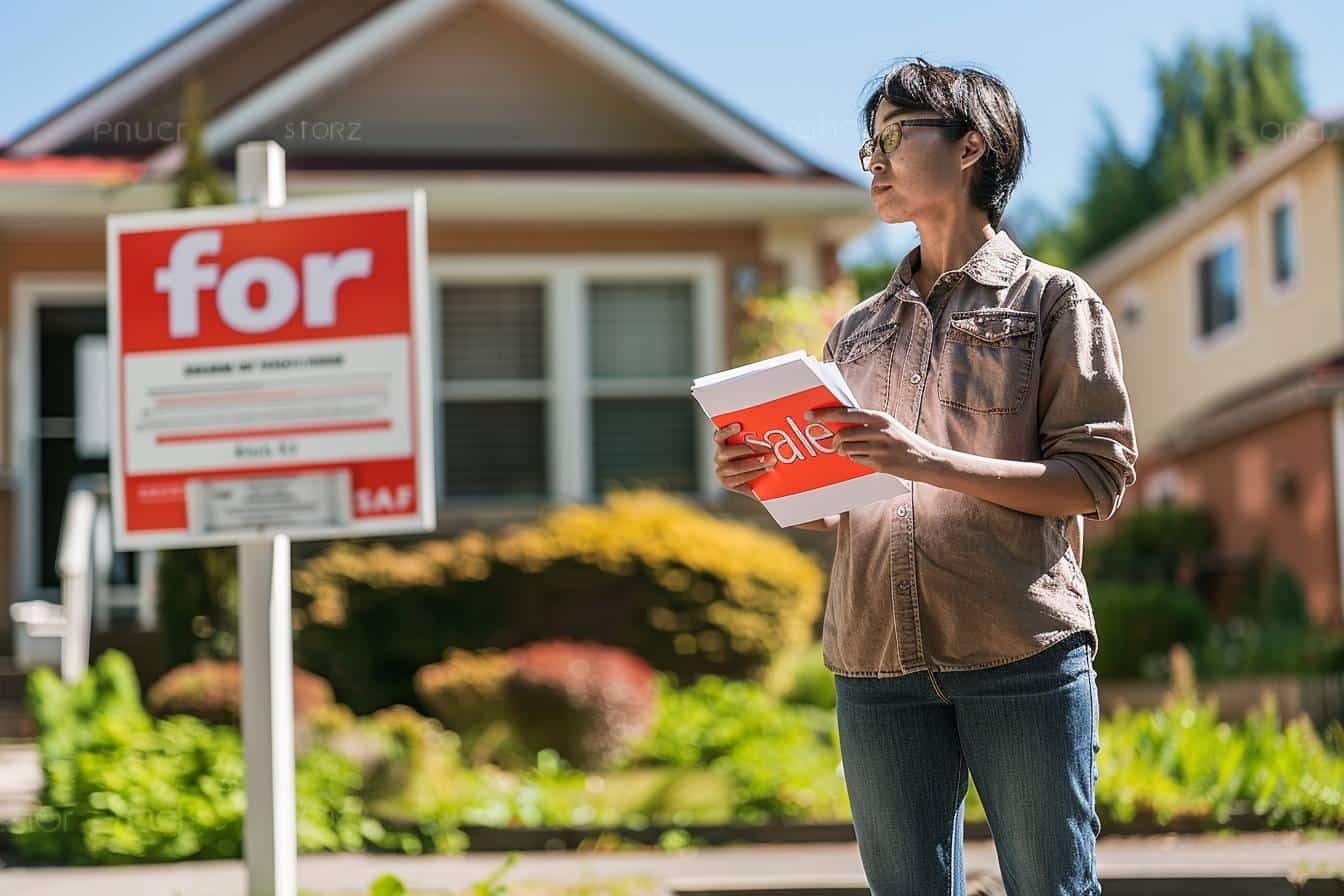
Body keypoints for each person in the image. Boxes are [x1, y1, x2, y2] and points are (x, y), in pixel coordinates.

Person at [712, 57, 1138, 895]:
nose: (873, 159)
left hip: (1019, 650)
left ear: (973, 145)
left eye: (894, 137)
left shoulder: (1054, 304)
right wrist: (770, 480)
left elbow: (1094, 479)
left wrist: (925, 459)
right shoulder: (855, 334)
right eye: (867, 143)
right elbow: (837, 511)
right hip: (873, 663)